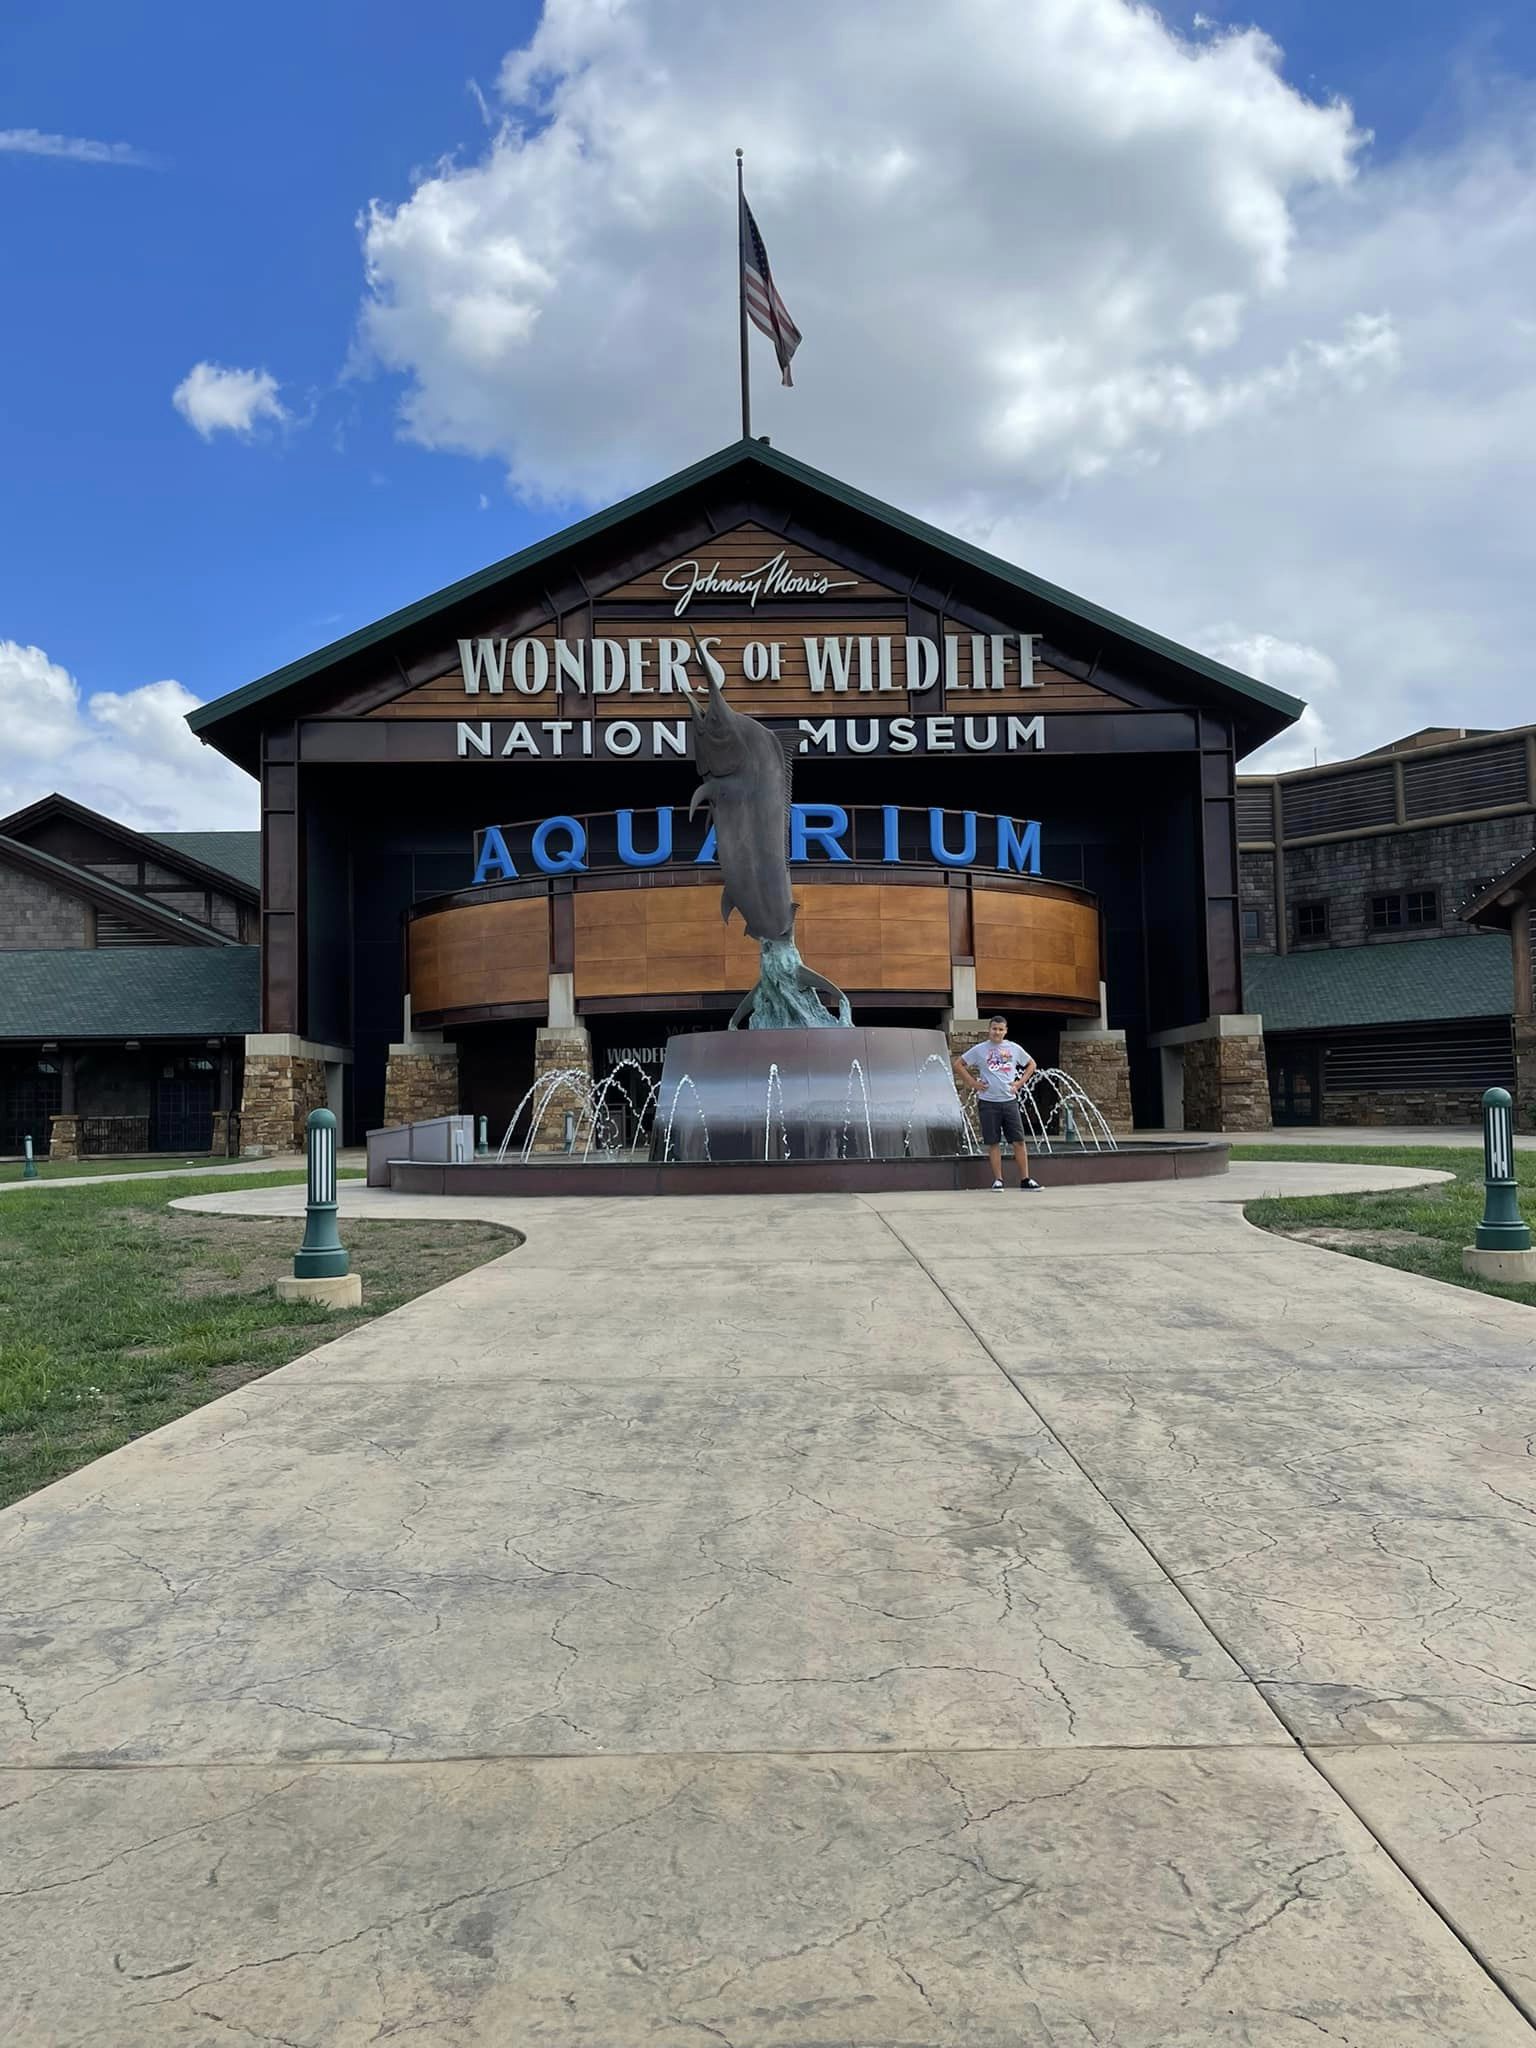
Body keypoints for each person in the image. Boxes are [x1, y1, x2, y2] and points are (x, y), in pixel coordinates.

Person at [954, 1016, 1041, 1191]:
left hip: (1009, 1102)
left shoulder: (1014, 1048)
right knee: (993, 1142)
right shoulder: (980, 1050)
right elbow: (959, 1064)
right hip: (988, 1102)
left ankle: (1025, 1179)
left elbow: (1031, 1064)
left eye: (1001, 1029)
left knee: (1018, 1141)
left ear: (1006, 1031)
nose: (997, 1032)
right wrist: (973, 1083)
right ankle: (998, 1180)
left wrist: (1019, 1083)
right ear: (989, 1029)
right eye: (994, 1029)